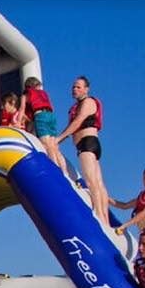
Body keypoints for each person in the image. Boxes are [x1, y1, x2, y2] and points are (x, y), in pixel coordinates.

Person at [57, 76, 110, 224]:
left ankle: (101, 216)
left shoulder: (88, 102)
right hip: (88, 144)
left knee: (92, 181)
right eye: (74, 87)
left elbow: (78, 121)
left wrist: (59, 138)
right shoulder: (76, 107)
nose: (75, 89)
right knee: (98, 182)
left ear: (86, 89)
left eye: (79, 87)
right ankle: (104, 217)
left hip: (88, 143)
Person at [14, 77, 65, 168]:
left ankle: (54, 167)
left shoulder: (25, 95)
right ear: (36, 85)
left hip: (41, 116)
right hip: (51, 116)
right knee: (54, 146)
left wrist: (18, 122)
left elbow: (22, 109)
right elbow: (51, 106)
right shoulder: (44, 93)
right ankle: (64, 171)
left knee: (46, 144)